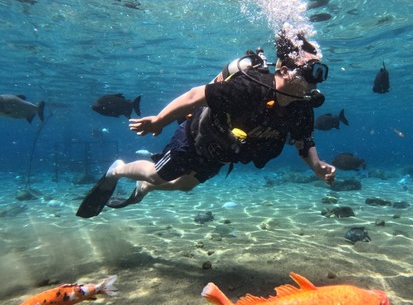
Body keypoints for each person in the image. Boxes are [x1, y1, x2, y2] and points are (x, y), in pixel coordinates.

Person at [76, 31, 336, 218]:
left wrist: (316, 165)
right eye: (311, 71)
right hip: (196, 137)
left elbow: (303, 140)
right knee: (158, 174)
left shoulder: (301, 106)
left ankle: (144, 188)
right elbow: (194, 96)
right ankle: (118, 170)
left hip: (223, 151)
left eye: (320, 72)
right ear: (285, 70)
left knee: (185, 185)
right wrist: (159, 121)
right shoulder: (249, 88)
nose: (316, 82)